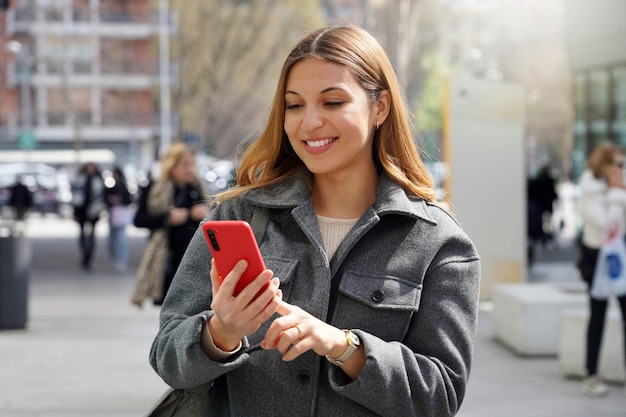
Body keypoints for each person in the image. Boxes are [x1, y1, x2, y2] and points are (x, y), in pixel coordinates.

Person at [149, 26, 481, 417]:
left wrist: (344, 347)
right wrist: (221, 332)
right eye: (294, 105)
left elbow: (439, 397)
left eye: (333, 102)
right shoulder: (238, 216)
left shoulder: (439, 243)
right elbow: (166, 357)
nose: (309, 123)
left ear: (380, 108)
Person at [131, 142, 209, 307]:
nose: (190, 169)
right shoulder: (154, 188)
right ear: (172, 166)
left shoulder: (198, 189)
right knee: (169, 308)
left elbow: (216, 219)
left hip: (195, 260)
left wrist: (205, 213)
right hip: (166, 260)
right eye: (185, 164)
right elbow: (139, 220)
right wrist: (167, 218)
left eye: (192, 164)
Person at [576, 140, 626, 397]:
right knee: (597, 316)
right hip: (598, 260)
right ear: (604, 164)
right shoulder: (590, 190)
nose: (621, 168)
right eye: (617, 163)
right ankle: (591, 374)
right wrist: (618, 196)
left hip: (621, 257)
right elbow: (608, 226)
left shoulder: (618, 186)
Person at [71, 162, 105, 271]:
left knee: (92, 236)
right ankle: (84, 254)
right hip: (82, 210)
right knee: (82, 234)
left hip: (94, 210)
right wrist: (75, 212)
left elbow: (101, 197)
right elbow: (75, 196)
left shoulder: (98, 181)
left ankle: (89, 257)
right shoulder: (80, 180)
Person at [104, 167, 133, 272]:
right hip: (113, 214)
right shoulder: (111, 187)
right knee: (112, 239)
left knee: (121, 239)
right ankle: (115, 259)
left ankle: (121, 260)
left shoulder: (124, 187)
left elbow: (129, 200)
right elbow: (105, 198)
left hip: (121, 215)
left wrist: (119, 200)